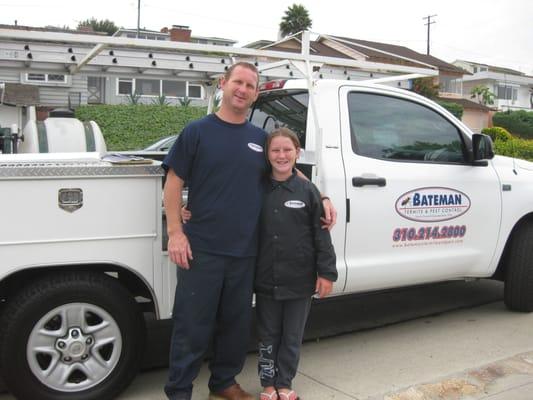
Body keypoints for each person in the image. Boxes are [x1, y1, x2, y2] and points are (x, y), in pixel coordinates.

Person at [162, 62, 336, 400]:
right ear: (224, 84)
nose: (243, 90)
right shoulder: (197, 131)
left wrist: (322, 197)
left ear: (255, 95)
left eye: (250, 86)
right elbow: (173, 181)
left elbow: (290, 171)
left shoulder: (260, 139)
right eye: (238, 83)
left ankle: (223, 383)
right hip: (203, 249)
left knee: (235, 324)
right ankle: (179, 390)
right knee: (192, 324)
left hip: (246, 252)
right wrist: (175, 232)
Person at [255, 128, 337, 400]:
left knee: (292, 336)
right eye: (275, 150)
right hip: (266, 278)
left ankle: (284, 383)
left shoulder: (308, 191)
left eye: (287, 150)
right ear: (267, 154)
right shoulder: (256, 188)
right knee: (268, 335)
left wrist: (326, 273)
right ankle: (268, 384)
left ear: (297, 153)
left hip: (300, 280)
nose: (281, 155)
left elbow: (321, 234)